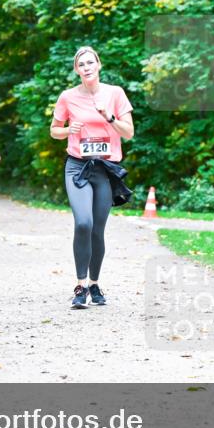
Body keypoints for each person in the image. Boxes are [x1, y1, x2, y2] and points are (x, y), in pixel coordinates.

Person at [49, 46, 134, 309]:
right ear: (76, 70)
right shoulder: (67, 97)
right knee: (83, 223)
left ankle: (95, 284)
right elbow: (54, 131)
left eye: (90, 62)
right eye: (81, 64)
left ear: (98, 65)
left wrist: (108, 117)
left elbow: (128, 132)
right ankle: (80, 284)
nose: (86, 67)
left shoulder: (115, 93)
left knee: (98, 229)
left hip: (105, 169)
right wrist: (67, 130)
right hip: (77, 167)